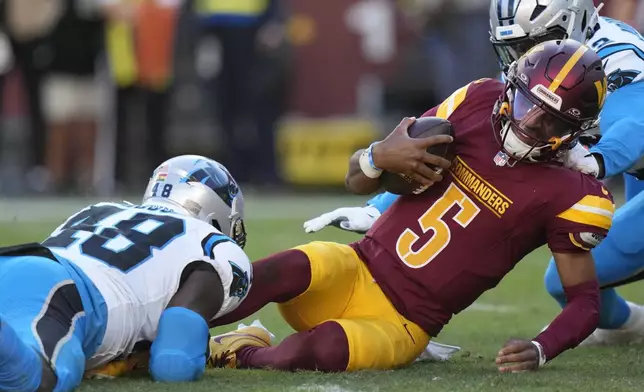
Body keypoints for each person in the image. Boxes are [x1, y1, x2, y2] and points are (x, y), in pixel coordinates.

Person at [206, 39, 613, 373]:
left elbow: (585, 302)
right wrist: (375, 157)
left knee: (323, 350)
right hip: (355, 267)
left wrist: (542, 348)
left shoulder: (573, 194)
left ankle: (238, 350)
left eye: (551, 122)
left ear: (575, 131)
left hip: (402, 322)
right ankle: (159, 327)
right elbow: (355, 180)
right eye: (527, 107)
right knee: (276, 270)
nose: (529, 125)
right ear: (510, 90)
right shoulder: (476, 100)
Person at [305, 0, 644, 347]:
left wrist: (597, 161)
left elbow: (634, 125)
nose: (522, 56)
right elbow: (467, 142)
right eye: (512, 47)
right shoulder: (531, 66)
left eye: (532, 44)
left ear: (574, 23)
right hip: (638, 176)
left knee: (568, 277)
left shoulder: (616, 55)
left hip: (634, 168)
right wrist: (379, 206)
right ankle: (631, 324)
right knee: (565, 282)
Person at [0, 155, 254, 391]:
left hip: (20, 262)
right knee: (36, 380)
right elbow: (174, 363)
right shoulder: (213, 248)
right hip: (68, 294)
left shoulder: (101, 209)